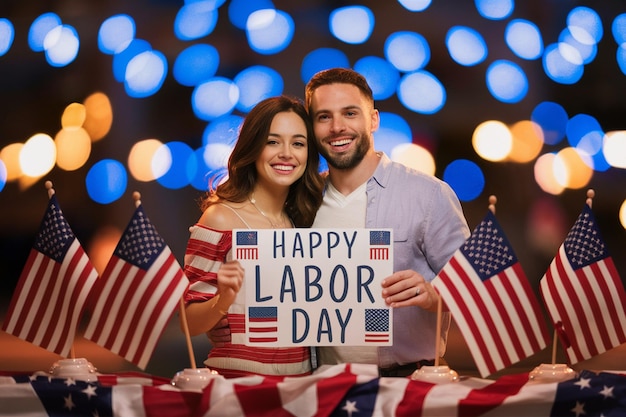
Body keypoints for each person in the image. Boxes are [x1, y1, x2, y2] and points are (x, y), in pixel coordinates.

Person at [209, 68, 471, 377]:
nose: (337, 127)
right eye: (323, 117)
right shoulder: (299, 201)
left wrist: (432, 295)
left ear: (373, 119)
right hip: (322, 383)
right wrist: (230, 317)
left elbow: (478, 290)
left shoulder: (428, 195)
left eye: (349, 113)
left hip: (409, 380)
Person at [182, 95, 324, 378]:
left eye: (298, 143)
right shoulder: (220, 218)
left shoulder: (306, 223)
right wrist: (223, 300)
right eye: (272, 142)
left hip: (302, 386)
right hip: (238, 385)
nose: (286, 153)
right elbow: (189, 322)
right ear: (253, 147)